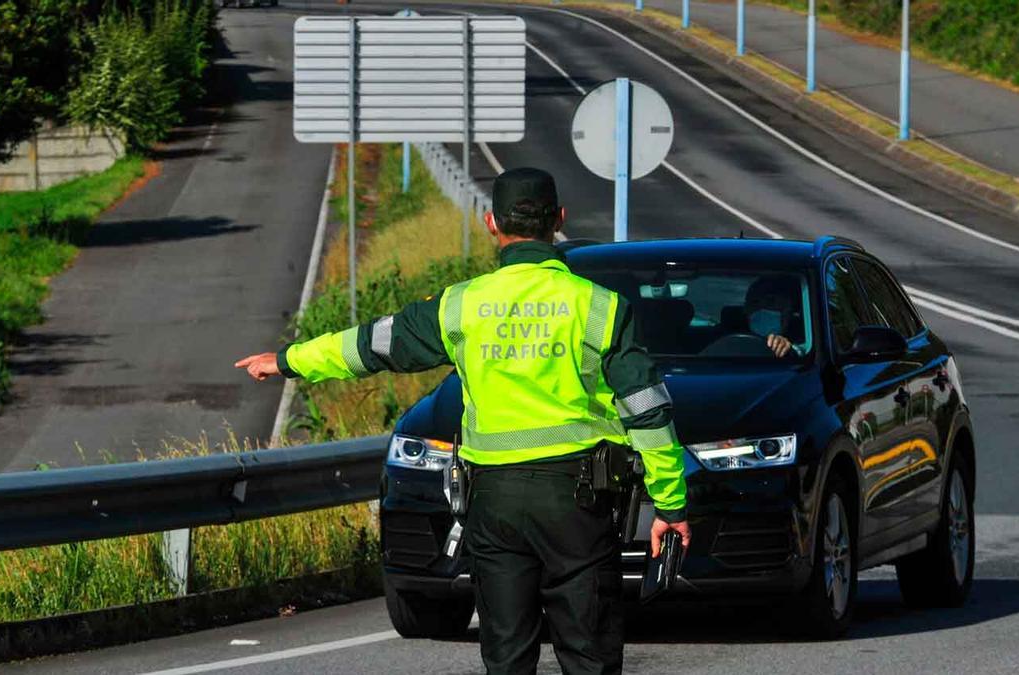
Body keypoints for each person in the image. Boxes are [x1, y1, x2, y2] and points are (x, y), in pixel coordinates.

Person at [235, 168, 689, 675]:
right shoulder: (599, 307)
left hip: (492, 501)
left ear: (491, 223)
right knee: (589, 654)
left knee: (507, 653)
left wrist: (291, 359)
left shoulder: (460, 305)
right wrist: (670, 503)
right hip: (578, 502)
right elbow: (648, 410)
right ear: (559, 219)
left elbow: (374, 343)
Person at [743, 274, 801, 358]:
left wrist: (787, 350)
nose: (761, 308)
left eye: (770, 301)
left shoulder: (809, 341)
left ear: (788, 309)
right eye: (755, 302)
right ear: (746, 309)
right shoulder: (726, 340)